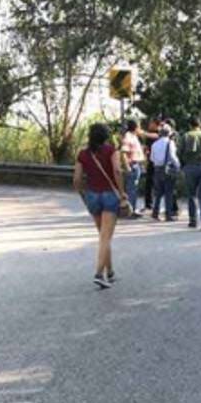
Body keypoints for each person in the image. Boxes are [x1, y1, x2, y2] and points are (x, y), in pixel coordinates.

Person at [73, 122, 124, 289]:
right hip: (110, 194)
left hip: (92, 195)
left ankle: (110, 272)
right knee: (105, 237)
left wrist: (83, 194)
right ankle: (99, 274)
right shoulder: (111, 151)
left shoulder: (82, 154)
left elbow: (77, 179)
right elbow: (117, 171)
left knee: (103, 236)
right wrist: (122, 192)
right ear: (106, 136)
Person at [150, 124, 180, 221]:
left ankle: (155, 212)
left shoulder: (154, 144)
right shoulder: (170, 143)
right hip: (168, 169)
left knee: (158, 193)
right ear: (169, 133)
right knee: (169, 192)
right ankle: (168, 214)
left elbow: (152, 159)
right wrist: (178, 166)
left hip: (157, 169)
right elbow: (172, 156)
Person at [119, 119, 145, 218]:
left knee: (134, 189)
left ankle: (133, 209)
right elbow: (124, 153)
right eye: (139, 126)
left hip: (136, 165)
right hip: (132, 165)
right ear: (136, 127)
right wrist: (127, 167)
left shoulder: (134, 137)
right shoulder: (128, 137)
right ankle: (129, 211)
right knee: (131, 189)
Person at [141, 116, 162, 212]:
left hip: (159, 162)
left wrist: (142, 133)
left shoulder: (161, 133)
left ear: (155, 124)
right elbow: (146, 147)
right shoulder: (149, 135)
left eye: (151, 123)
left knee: (159, 184)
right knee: (149, 183)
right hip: (151, 161)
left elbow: (157, 136)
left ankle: (171, 207)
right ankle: (148, 204)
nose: (149, 124)